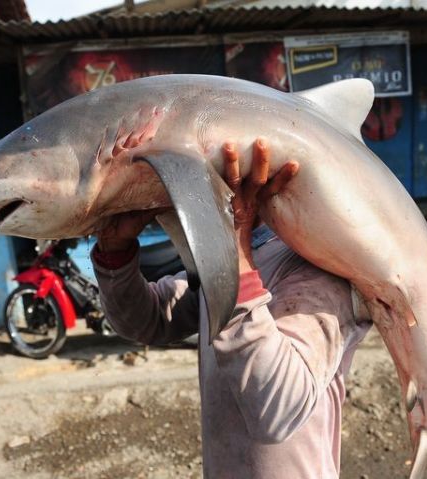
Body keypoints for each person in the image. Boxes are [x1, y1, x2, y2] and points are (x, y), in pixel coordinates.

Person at [91, 139, 372, 478]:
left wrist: (235, 253)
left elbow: (277, 409)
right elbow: (147, 320)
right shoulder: (250, 250)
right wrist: (115, 250)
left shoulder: (322, 268)